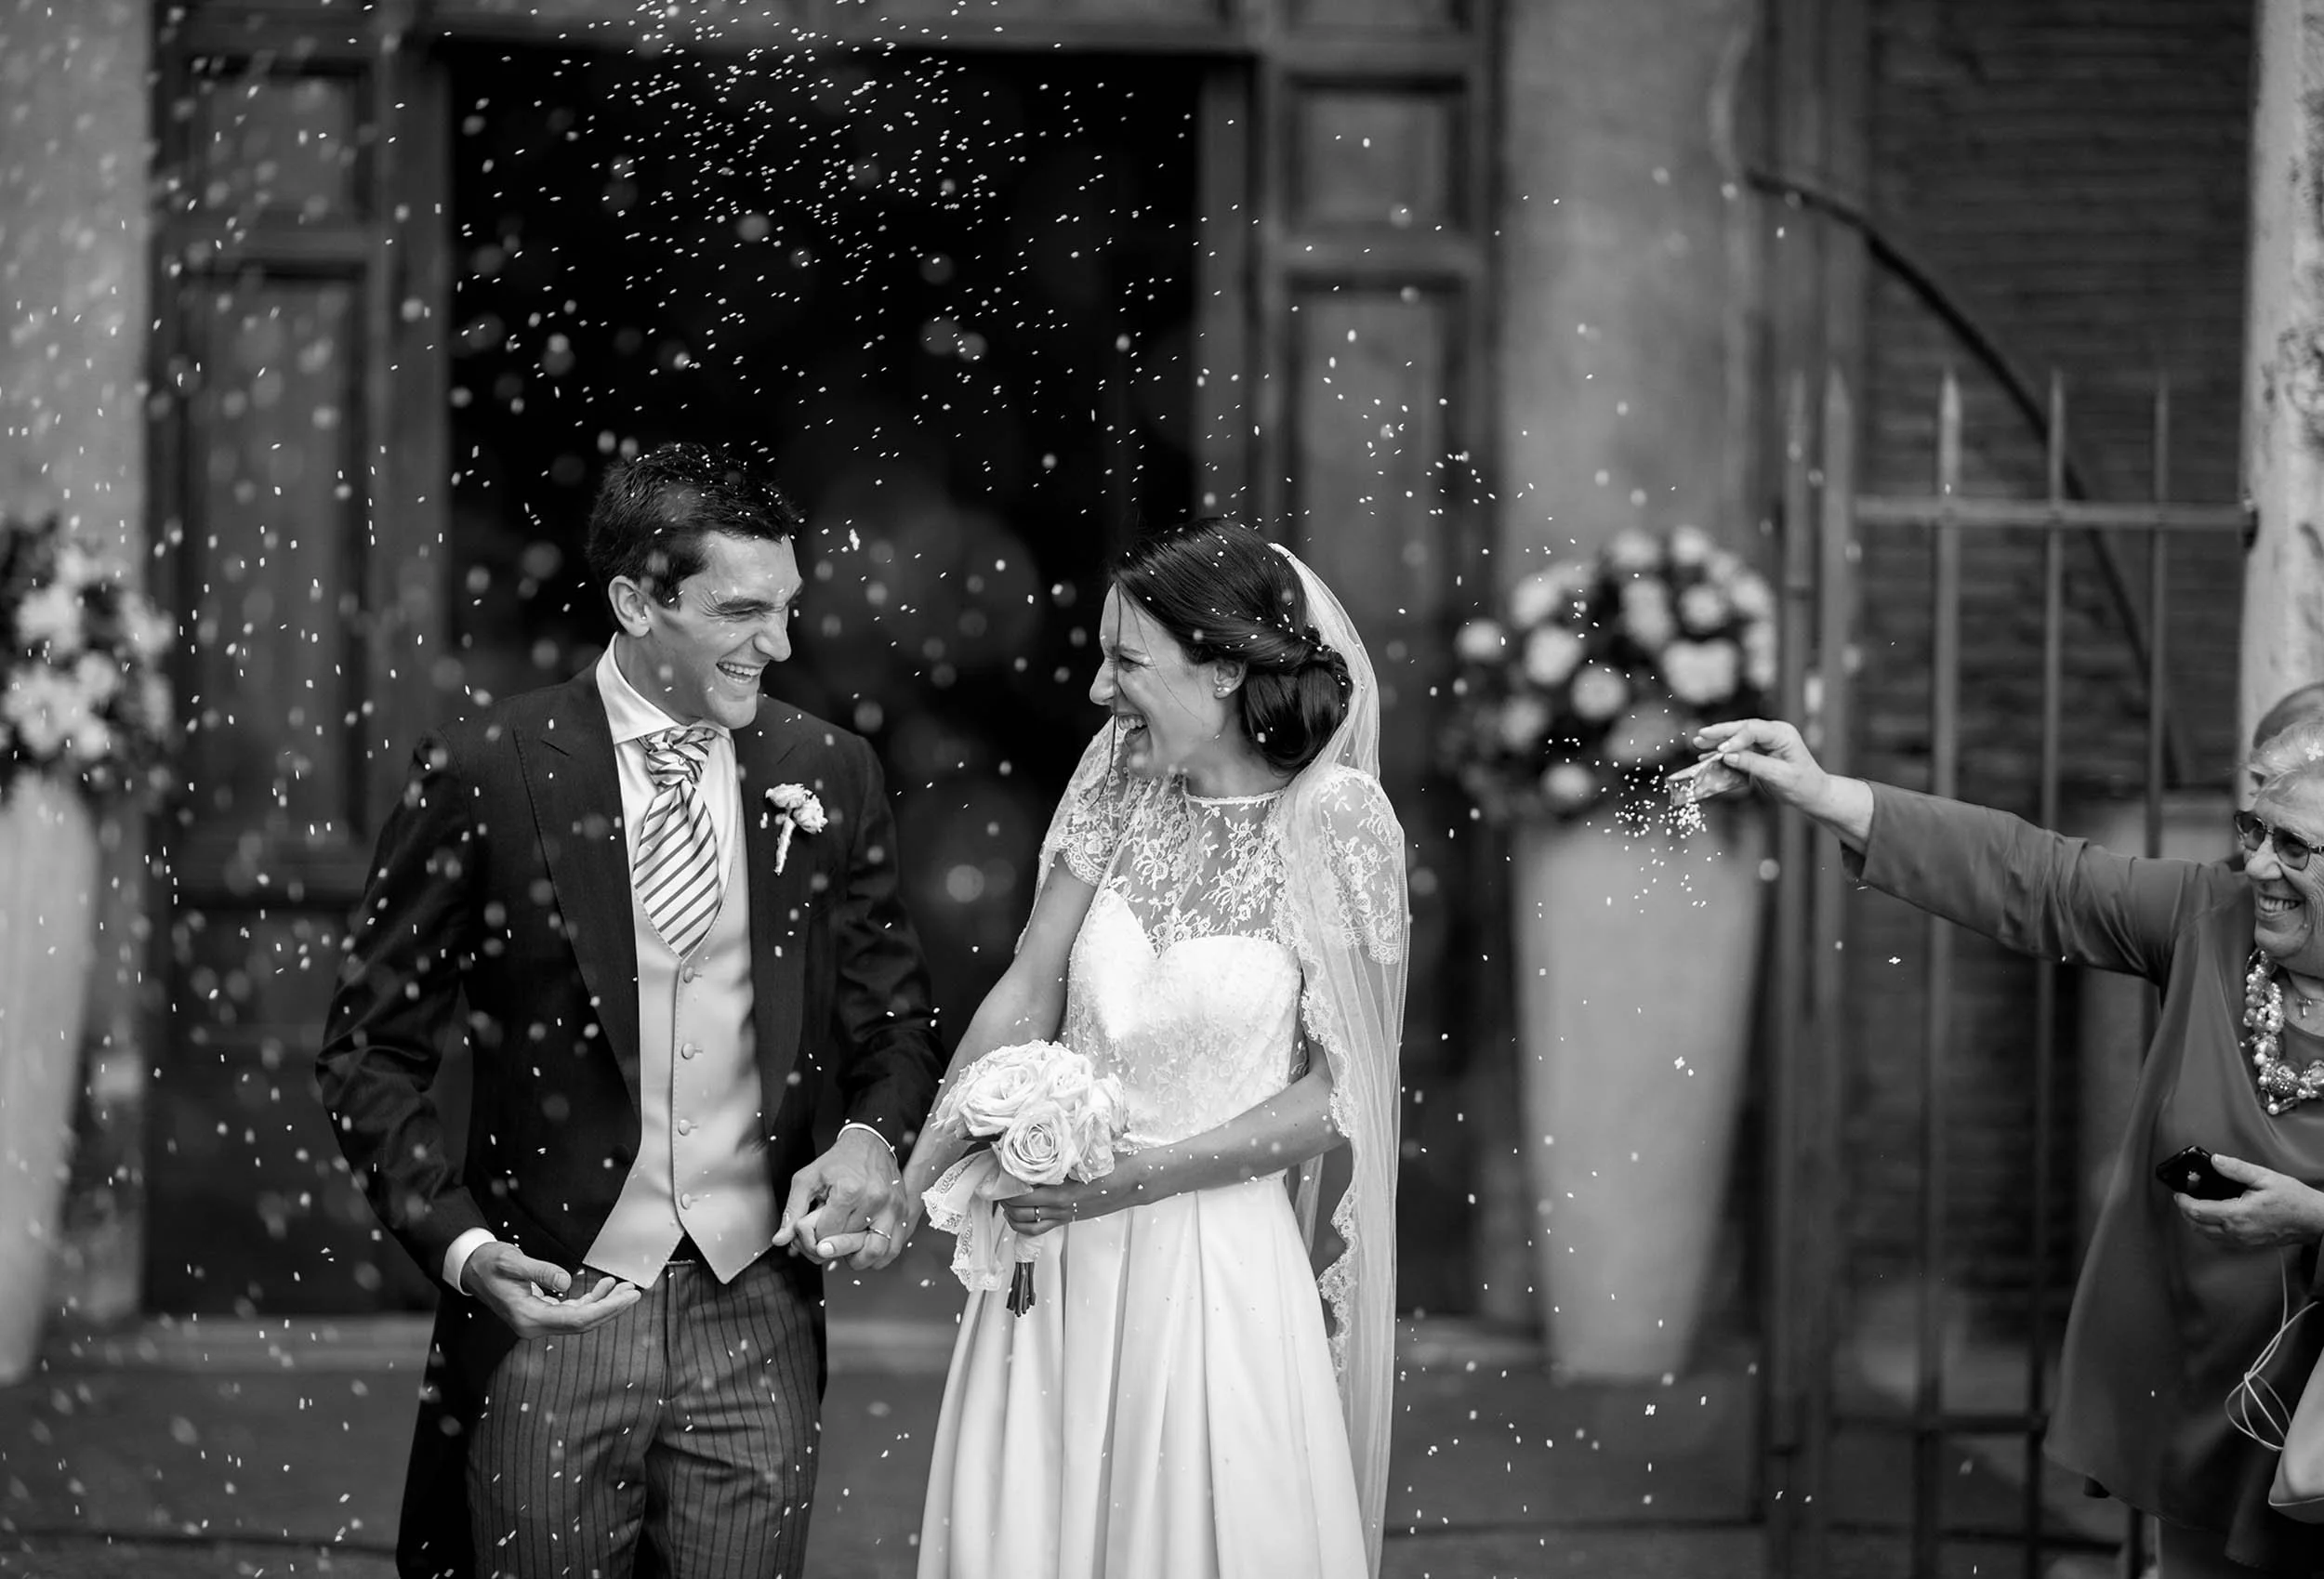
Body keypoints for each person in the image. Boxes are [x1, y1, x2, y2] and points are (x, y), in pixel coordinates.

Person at [316, 442, 944, 1579]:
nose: (781, 645)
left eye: (789, 608)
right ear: (635, 602)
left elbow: (893, 1022)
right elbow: (370, 1047)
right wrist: (462, 1245)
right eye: (741, 611)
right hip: (556, 1306)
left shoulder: (828, 769)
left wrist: (867, 1138)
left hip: (757, 1313)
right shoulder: (488, 764)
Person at [1697, 713, 2324, 1577]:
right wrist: (1824, 792)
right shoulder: (2206, 919)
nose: (2257, 864)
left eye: (2295, 845)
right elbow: (2030, 874)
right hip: (2199, 1391)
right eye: (2253, 830)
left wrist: (2316, 1217)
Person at [901, 518, 1409, 1578]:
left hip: (1212, 1268)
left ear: (1223, 665)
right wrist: (916, 1182)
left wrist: (1127, 1182)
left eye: (1126, 660)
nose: (1097, 690)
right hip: (1049, 1257)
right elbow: (1026, 990)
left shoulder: (1336, 822)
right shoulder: (1115, 777)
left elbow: (1342, 1092)